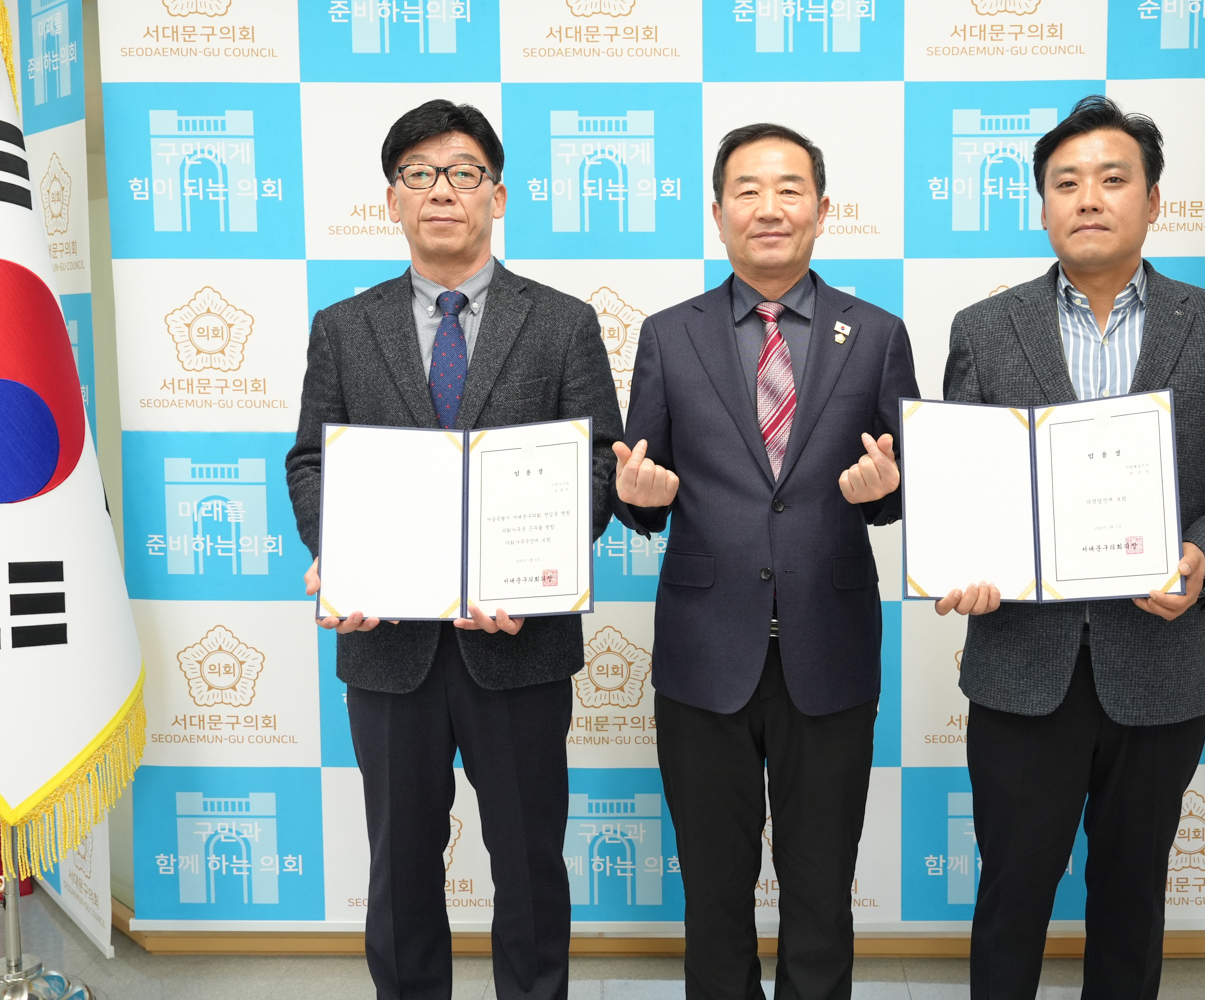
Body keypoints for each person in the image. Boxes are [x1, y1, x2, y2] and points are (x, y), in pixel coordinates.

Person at [939, 95, 1205, 999]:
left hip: (1160, 663)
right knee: (1011, 896)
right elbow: (963, 483)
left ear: (1152, 200)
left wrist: (1204, 557)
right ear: (1043, 206)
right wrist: (963, 563)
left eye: (1112, 178)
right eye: (1066, 183)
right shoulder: (984, 328)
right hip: (1022, 665)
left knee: (1133, 899)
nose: (1089, 198)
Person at [285, 99, 622, 1000]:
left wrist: (539, 578)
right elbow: (312, 462)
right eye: (419, 174)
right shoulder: (343, 326)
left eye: (464, 173)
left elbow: (597, 465)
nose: (443, 191)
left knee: (530, 866)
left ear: (497, 196)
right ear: (391, 199)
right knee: (399, 873)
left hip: (520, 644)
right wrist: (340, 555)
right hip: (386, 648)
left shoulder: (562, 322)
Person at [613, 123, 919, 1000]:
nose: (769, 207)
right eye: (747, 190)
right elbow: (643, 483)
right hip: (705, 651)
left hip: (830, 647)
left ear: (823, 210)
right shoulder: (669, 335)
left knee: (821, 886)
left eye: (790, 189)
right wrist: (638, 497)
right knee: (714, 890)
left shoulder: (877, 333)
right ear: (717, 214)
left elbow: (907, 484)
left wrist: (888, 490)